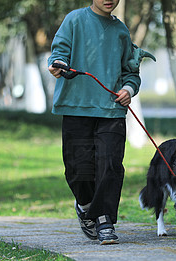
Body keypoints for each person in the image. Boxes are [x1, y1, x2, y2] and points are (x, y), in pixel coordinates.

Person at [48, 0, 142, 245]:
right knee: (78, 169)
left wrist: (128, 89)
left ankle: (104, 220)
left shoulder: (121, 31)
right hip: (75, 106)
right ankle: (85, 204)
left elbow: (131, 71)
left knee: (110, 165)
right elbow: (59, 53)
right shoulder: (74, 20)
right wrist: (58, 65)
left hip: (111, 110)